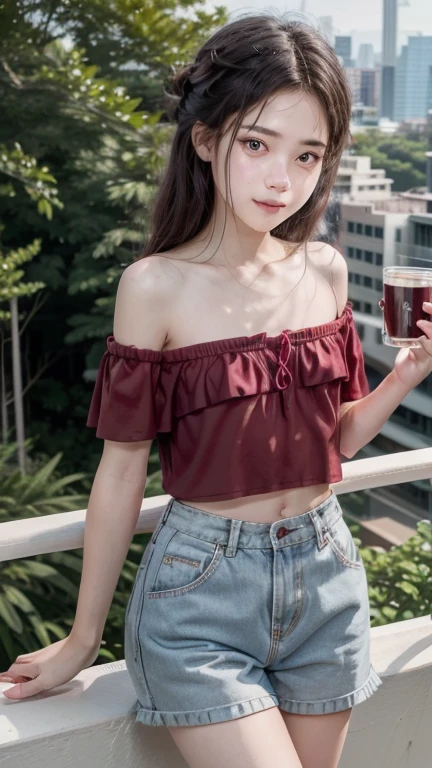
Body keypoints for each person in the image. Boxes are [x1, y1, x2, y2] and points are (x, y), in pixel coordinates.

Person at [1, 12, 432, 768]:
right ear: (206, 141)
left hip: (327, 574)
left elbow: (330, 443)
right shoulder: (155, 286)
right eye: (258, 144)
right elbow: (123, 469)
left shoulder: (325, 270)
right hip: (201, 594)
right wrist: (81, 638)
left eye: (307, 156)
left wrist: (407, 374)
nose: (281, 180)